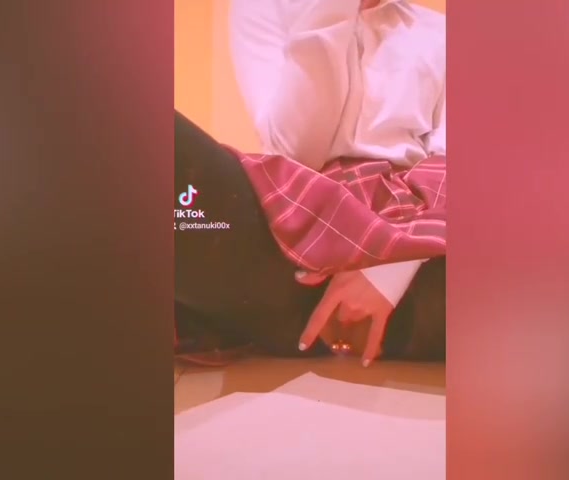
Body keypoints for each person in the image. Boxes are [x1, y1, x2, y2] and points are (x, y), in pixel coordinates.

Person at [175, 0, 446, 366]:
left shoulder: (440, 32)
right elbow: (296, 151)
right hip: (291, 224)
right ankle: (273, 317)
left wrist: (389, 274)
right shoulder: (262, 7)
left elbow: (454, 168)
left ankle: (249, 322)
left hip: (410, 236)